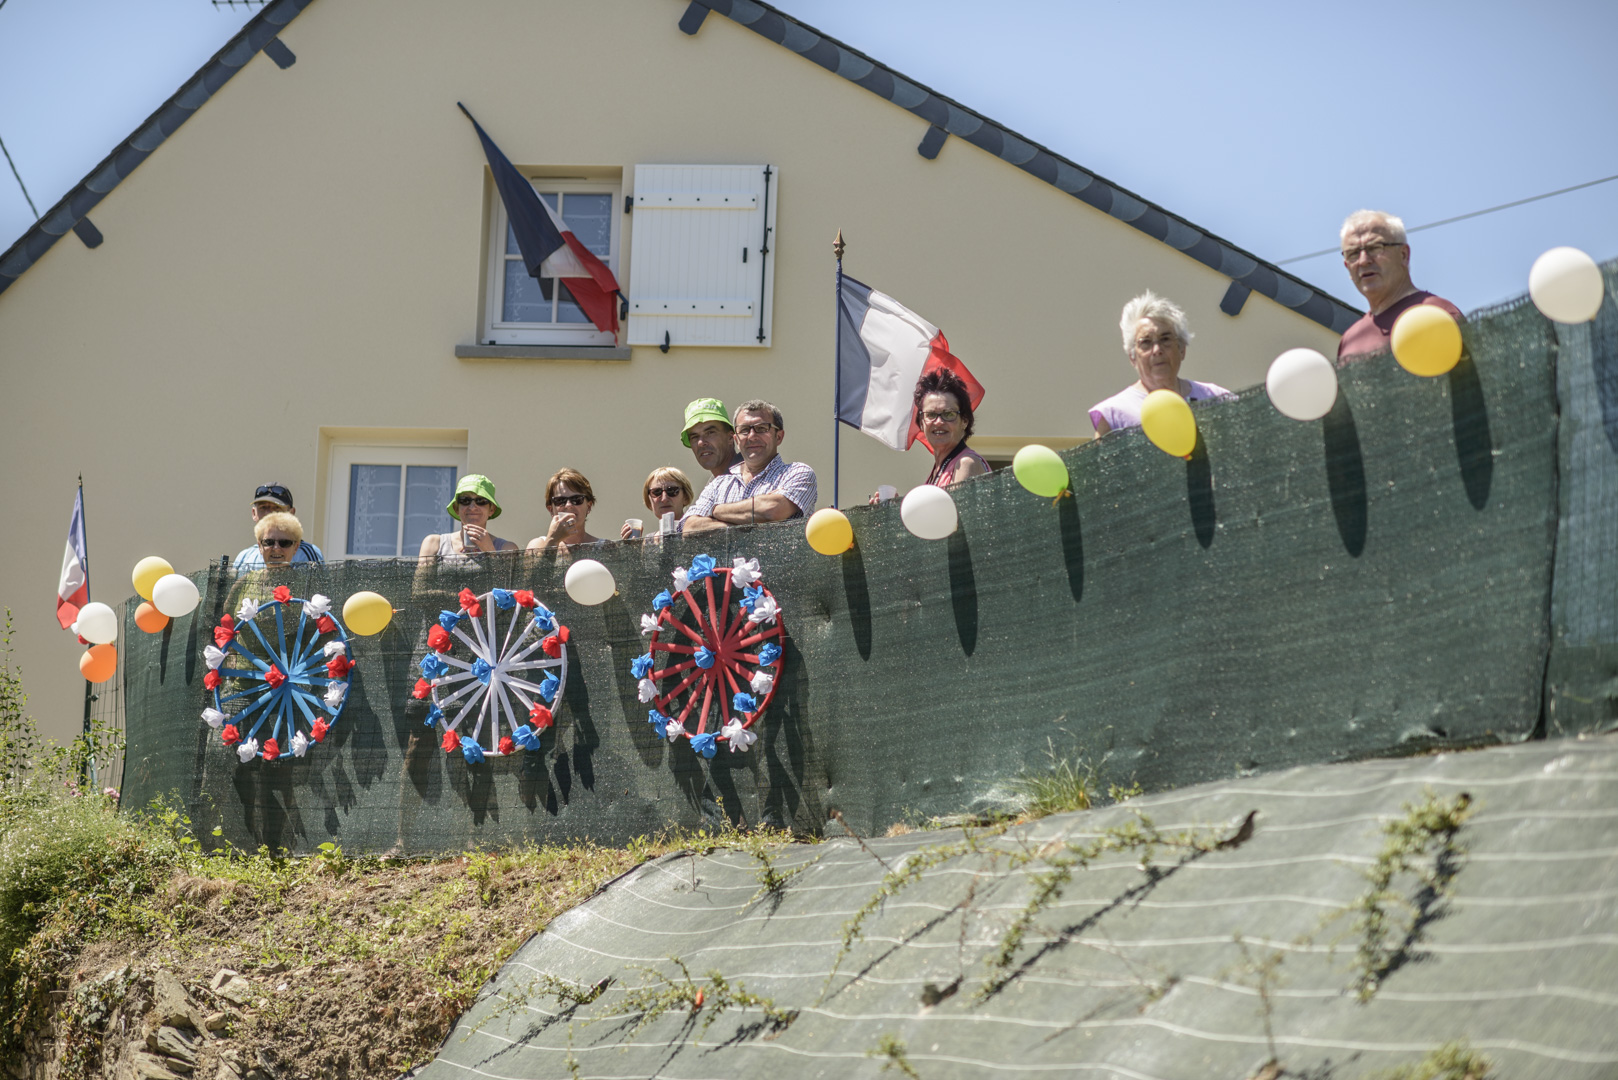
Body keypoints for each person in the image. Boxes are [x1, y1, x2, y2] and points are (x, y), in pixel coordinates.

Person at [1089, 291, 1231, 436]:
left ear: (1182, 349)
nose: (1157, 350)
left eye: (1165, 339)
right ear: (1132, 357)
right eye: (1146, 342)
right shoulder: (1113, 416)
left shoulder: (1216, 399)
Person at [1337, 209, 1461, 361]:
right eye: (1353, 253)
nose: (1363, 261)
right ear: (1346, 266)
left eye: (1375, 248)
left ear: (1404, 255)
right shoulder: (1349, 340)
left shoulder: (1437, 314)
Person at [683, 400, 818, 535]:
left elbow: (772, 510)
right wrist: (748, 521)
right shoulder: (718, 484)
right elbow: (690, 528)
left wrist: (715, 510)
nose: (752, 436)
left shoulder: (798, 473)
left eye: (761, 428)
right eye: (744, 430)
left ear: (778, 437)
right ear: (736, 439)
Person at [870, 370, 990, 503]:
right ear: (921, 423)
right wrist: (892, 509)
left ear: (964, 421)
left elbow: (958, 515)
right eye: (931, 415)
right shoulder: (937, 472)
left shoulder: (966, 463)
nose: (938, 422)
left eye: (949, 414)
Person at [418, 474, 518, 562]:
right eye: (465, 500)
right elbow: (421, 578)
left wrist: (490, 551)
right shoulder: (435, 544)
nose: (472, 507)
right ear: (456, 508)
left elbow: (508, 579)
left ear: (491, 509)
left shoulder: (507, 549)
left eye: (481, 501)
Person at [231, 483, 323, 572]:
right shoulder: (244, 557)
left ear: (291, 513)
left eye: (276, 508)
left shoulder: (308, 554)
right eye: (263, 507)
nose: (268, 514)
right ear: (254, 513)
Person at [528, 468, 603, 554]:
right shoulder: (537, 546)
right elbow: (538, 563)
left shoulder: (605, 548)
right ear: (551, 510)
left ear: (588, 507)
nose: (568, 505)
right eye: (560, 500)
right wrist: (552, 541)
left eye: (576, 499)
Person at [621, 467, 695, 540]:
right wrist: (634, 546)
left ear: (685, 497)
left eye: (672, 491)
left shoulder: (696, 534)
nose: (664, 499)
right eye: (656, 492)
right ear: (649, 500)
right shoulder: (648, 541)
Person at [681, 397, 742, 480]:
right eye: (694, 437)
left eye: (710, 433)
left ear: (730, 438)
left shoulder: (752, 474)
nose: (701, 443)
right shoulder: (714, 484)